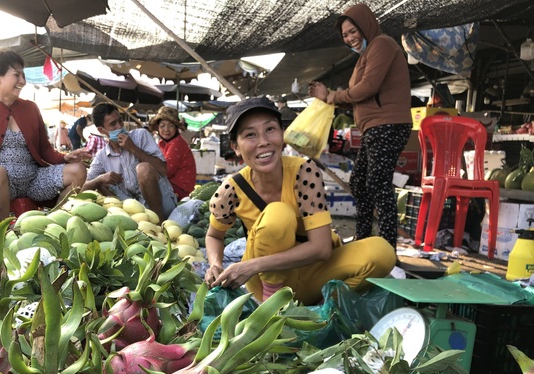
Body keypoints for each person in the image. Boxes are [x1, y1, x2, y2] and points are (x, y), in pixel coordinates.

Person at [204, 96, 395, 305]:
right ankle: (273, 307)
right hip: (263, 284)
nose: (263, 141)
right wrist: (215, 264)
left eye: (270, 129)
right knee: (278, 214)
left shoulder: (304, 172)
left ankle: (321, 308)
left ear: (282, 134)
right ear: (236, 147)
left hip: (312, 275)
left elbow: (321, 249)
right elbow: (214, 235)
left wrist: (251, 266)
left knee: (382, 252)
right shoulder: (232, 188)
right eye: (250, 135)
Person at [308, 3, 412, 249]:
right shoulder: (367, 55)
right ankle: (363, 238)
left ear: (366, 25)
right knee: (360, 182)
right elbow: (360, 97)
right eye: (345, 35)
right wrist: (331, 97)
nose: (350, 38)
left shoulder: (382, 45)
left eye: (353, 31)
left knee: (378, 183)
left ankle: (387, 246)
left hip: (388, 125)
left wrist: (331, 96)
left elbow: (368, 88)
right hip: (373, 128)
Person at [0, 50, 87, 220]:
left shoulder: (31, 108)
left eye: (23, 75)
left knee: (78, 170)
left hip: (34, 180)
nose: (22, 81)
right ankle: (3, 232)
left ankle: (53, 221)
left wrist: (64, 158)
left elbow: (44, 149)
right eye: (17, 75)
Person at [83, 102, 178, 221]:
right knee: (100, 183)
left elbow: (163, 170)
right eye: (113, 124)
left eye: (120, 121)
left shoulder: (141, 135)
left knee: (143, 168)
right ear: (101, 130)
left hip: (163, 204)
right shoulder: (102, 156)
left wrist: (133, 148)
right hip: (134, 210)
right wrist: (100, 179)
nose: (119, 126)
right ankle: (133, 222)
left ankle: (159, 223)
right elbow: (83, 188)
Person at [148, 106, 196, 200]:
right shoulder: (162, 143)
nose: (166, 129)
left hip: (180, 190)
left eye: (170, 126)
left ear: (176, 128)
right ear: (158, 128)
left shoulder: (177, 143)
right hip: (170, 185)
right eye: (162, 126)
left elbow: (166, 171)